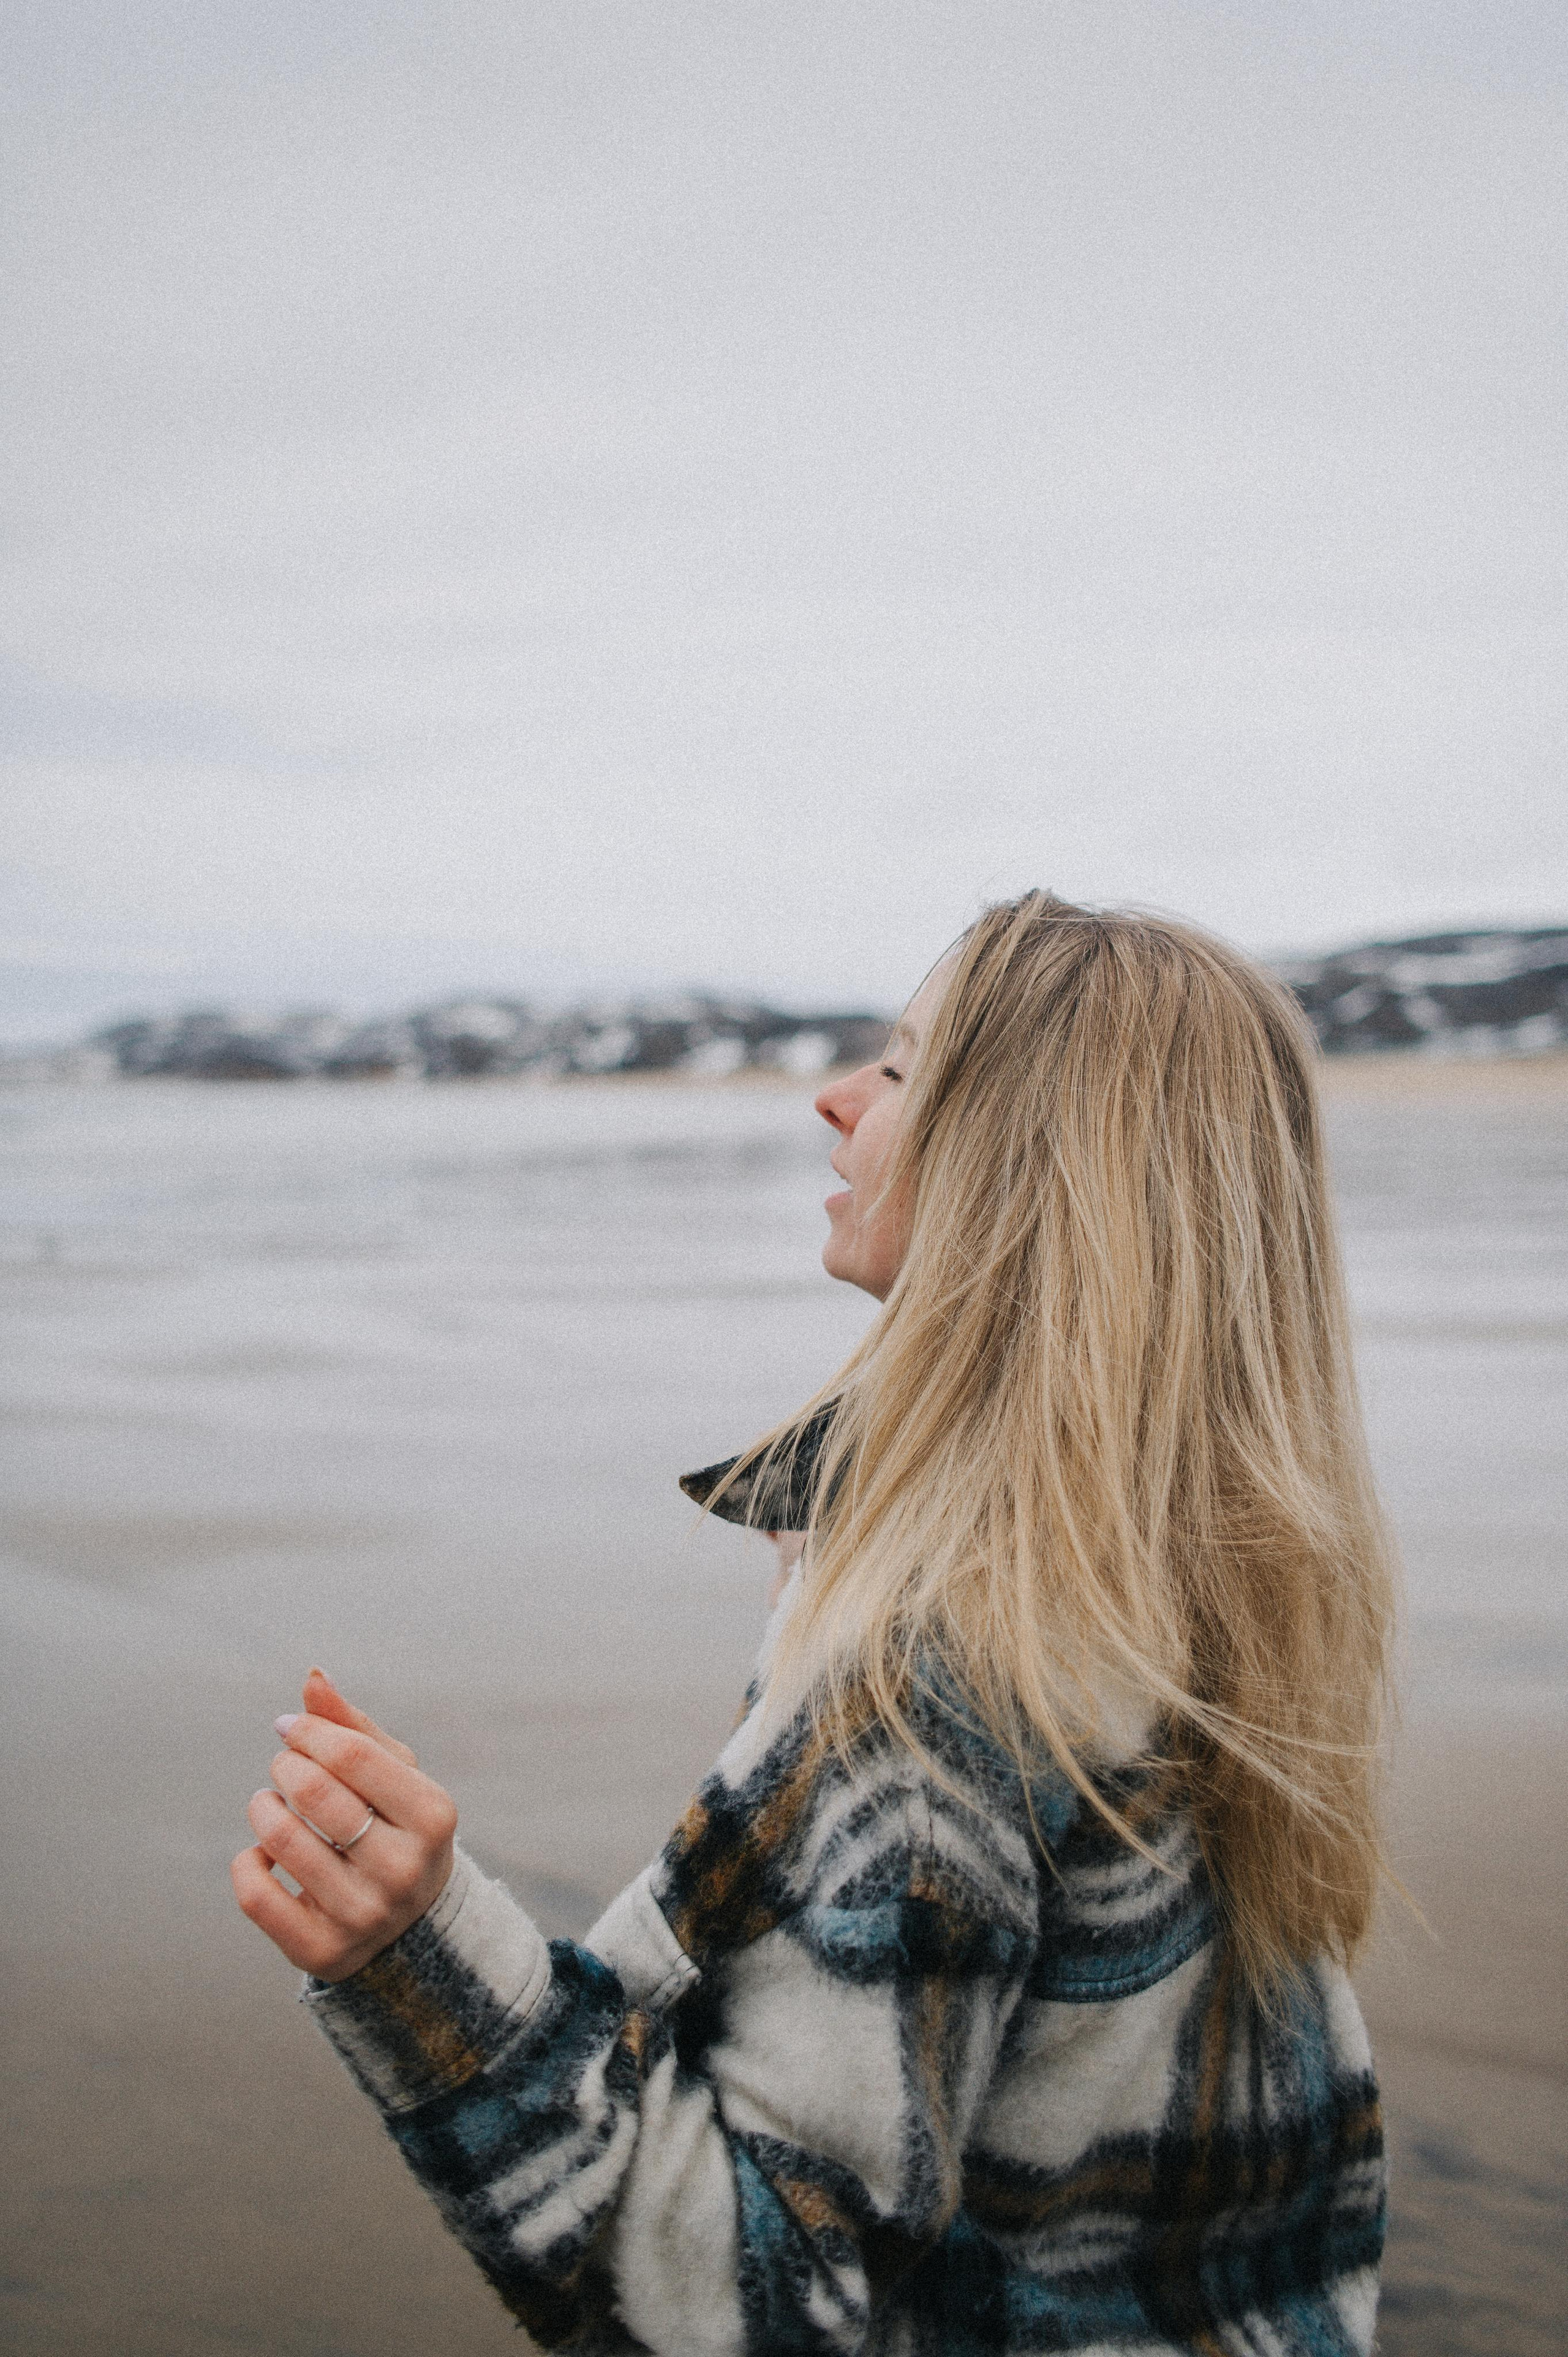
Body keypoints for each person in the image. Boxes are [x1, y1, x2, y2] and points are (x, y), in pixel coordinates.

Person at [233, 891, 1392, 2355]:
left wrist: (419, 1958)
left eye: (902, 1069)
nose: (833, 1099)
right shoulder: (1206, 1576)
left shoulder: (944, 1665)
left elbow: (746, 2308)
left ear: (1023, 1159)